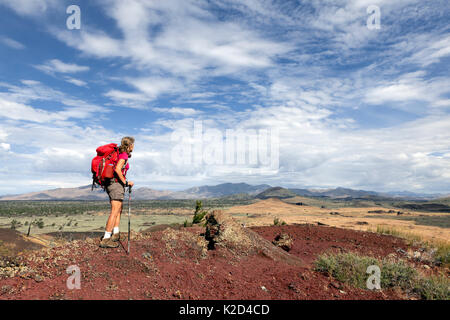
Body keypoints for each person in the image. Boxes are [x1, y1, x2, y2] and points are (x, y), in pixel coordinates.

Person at [99, 136, 135, 248]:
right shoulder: (123, 155)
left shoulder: (119, 153)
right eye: (133, 144)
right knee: (115, 211)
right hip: (116, 184)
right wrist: (125, 182)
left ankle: (116, 234)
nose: (133, 146)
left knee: (119, 209)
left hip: (112, 184)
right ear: (129, 145)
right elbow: (117, 169)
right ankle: (106, 238)